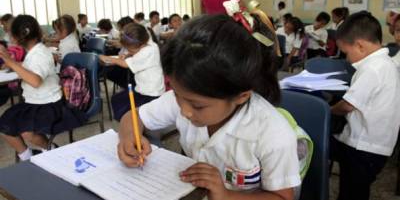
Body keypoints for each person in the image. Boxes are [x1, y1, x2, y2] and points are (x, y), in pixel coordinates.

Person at [117, 11, 301, 199]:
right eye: (178, 94)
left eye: (198, 106)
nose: (184, 111)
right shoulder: (186, 98)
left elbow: (282, 197)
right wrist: (129, 137)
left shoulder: (273, 135)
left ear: (241, 96)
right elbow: (133, 117)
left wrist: (227, 196)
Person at [331, 11, 400, 200]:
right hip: (372, 144)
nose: (346, 59)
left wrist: (327, 111)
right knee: (356, 189)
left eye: (346, 53)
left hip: (363, 146)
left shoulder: (373, 68)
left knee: (352, 192)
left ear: (360, 46)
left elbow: (347, 106)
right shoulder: (384, 63)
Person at [0, 15, 84, 161]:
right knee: (5, 125)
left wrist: (10, 62)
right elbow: (30, 69)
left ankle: (51, 149)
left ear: (17, 37)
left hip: (49, 104)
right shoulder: (33, 52)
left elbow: (35, 81)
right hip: (34, 101)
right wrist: (13, 63)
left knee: (26, 131)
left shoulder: (41, 53)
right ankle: (27, 155)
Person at [99, 23, 165, 121]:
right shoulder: (148, 42)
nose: (129, 51)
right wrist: (127, 54)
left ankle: (135, 127)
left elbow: (125, 64)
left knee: (126, 112)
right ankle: (128, 123)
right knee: (116, 100)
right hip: (142, 88)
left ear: (141, 44)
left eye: (130, 49)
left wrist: (110, 59)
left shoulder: (148, 51)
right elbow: (134, 50)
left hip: (151, 93)